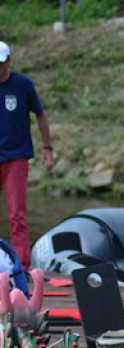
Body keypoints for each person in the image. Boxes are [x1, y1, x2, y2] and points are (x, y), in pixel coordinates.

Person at [0, 41, 55, 268]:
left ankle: (21, 266)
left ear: (9, 61)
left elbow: (40, 114)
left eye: (1, 63)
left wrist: (47, 147)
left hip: (15, 159)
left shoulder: (23, 85)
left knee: (17, 215)